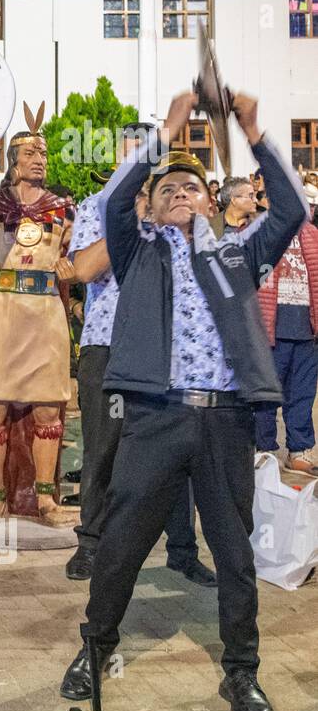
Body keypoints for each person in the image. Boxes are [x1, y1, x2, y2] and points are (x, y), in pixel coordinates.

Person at [61, 91, 303, 711]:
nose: (178, 195)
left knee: (235, 554)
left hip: (226, 420)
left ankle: (241, 672)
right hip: (155, 415)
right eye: (167, 189)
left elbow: (294, 209)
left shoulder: (238, 254)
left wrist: (252, 128)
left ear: (214, 204)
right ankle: (94, 649)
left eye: (191, 189)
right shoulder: (137, 249)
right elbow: (118, 197)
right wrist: (168, 131)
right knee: (120, 544)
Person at [64, 123, 214, 586]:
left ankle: (182, 549)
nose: (142, 164)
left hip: (172, 346)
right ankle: (91, 541)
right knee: (104, 444)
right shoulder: (98, 207)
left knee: (179, 449)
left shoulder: (182, 210)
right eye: (135, 156)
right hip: (109, 341)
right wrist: (133, 220)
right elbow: (86, 269)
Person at [0, 111, 76, 525]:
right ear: (13, 159)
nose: (39, 160)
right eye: (30, 152)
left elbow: (77, 259)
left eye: (43, 153)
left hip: (45, 311)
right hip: (1, 311)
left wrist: (71, 269)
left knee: (48, 410)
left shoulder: (64, 209)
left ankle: (46, 500)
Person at [251, 190, 318, 474]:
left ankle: (299, 448)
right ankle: (264, 449)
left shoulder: (313, 235)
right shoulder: (264, 230)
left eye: (311, 204)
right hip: (271, 327)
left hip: (307, 328)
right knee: (267, 394)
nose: (309, 209)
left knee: (302, 393)